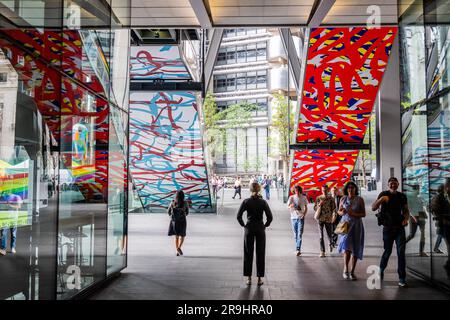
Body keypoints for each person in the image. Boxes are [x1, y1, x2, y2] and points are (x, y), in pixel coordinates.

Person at [371, 177, 410, 287]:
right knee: (387, 252)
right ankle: (381, 270)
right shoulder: (384, 194)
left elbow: (406, 210)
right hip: (387, 228)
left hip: (399, 229)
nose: (393, 185)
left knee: (401, 253)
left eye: (395, 183)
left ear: (398, 184)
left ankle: (402, 278)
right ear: (388, 185)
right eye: (391, 183)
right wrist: (381, 199)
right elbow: (373, 208)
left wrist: (406, 219)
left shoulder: (402, 196)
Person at [237, 182, 273, 286]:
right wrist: (265, 225)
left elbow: (239, 216)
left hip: (249, 228)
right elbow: (270, 217)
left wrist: (244, 225)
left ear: (250, 190)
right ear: (259, 190)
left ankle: (248, 278)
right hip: (260, 228)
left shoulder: (246, 201)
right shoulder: (263, 202)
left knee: (248, 252)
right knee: (260, 252)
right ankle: (259, 279)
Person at [337, 181, 366, 280]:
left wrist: (353, 213)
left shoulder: (360, 199)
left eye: (352, 187)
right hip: (344, 224)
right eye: (349, 187)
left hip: (357, 225)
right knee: (346, 248)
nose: (350, 189)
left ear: (355, 189)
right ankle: (345, 269)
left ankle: (352, 271)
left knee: (355, 248)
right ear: (346, 189)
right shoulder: (343, 199)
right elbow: (339, 211)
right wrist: (342, 212)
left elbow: (363, 214)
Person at [430, 180, 450, 275]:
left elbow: (430, 207)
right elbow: (434, 208)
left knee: (442, 236)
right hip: (444, 223)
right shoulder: (441, 198)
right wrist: (442, 217)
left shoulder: (438, 197)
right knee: (443, 237)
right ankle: (448, 264)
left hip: (442, 222)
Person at [405, 185, 428, 256]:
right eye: (418, 189)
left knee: (423, 234)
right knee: (412, 235)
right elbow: (408, 208)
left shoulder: (419, 197)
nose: (419, 191)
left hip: (420, 215)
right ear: (415, 189)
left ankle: (421, 252)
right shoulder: (410, 197)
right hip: (414, 216)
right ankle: (401, 244)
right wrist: (412, 216)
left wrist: (425, 213)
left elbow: (422, 206)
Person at [314, 184, 336, 257]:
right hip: (320, 219)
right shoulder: (318, 198)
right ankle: (322, 251)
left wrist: (333, 217)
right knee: (321, 235)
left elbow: (334, 208)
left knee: (329, 234)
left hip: (328, 219)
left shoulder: (331, 199)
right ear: (321, 190)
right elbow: (315, 208)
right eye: (323, 190)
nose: (324, 191)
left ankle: (330, 243)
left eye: (326, 190)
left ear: (328, 190)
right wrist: (319, 205)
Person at [287, 185, 308, 256]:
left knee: (299, 234)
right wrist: (291, 206)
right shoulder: (291, 197)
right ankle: (297, 247)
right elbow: (288, 206)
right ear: (294, 191)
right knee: (295, 235)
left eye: (298, 190)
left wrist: (304, 215)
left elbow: (306, 207)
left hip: (301, 217)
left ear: (300, 190)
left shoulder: (304, 197)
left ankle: (298, 249)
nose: (297, 192)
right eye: (295, 190)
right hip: (293, 218)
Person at [167, 190, 189, 256]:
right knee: (182, 236)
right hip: (182, 221)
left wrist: (172, 217)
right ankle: (179, 248)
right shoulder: (185, 203)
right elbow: (187, 212)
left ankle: (177, 250)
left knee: (176, 236)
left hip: (175, 222)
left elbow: (168, 212)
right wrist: (183, 214)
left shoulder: (173, 202)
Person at [431, 184, 447, 254]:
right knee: (442, 234)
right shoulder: (441, 197)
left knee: (442, 234)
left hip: (440, 219)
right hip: (442, 219)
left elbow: (431, 208)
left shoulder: (436, 197)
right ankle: (436, 248)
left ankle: (436, 248)